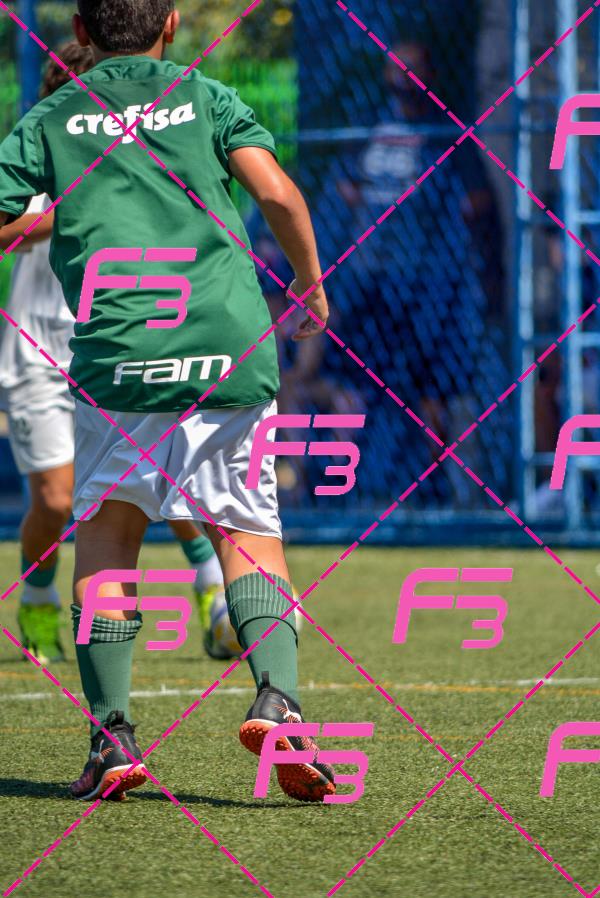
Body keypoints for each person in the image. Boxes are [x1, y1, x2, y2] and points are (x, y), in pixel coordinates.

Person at [0, 1, 333, 804]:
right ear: (174, 24)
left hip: (120, 355)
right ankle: (278, 702)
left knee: (110, 536)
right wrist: (309, 283)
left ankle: (112, 737)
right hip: (227, 346)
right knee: (247, 531)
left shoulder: (51, 118)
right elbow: (279, 194)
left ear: (82, 31)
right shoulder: (207, 96)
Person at [0, 44, 225, 666]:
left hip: (119, 344)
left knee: (165, 473)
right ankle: (37, 595)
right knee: (55, 500)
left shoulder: (146, 153)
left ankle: (214, 594)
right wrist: (68, 213)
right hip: (38, 353)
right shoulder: (36, 150)